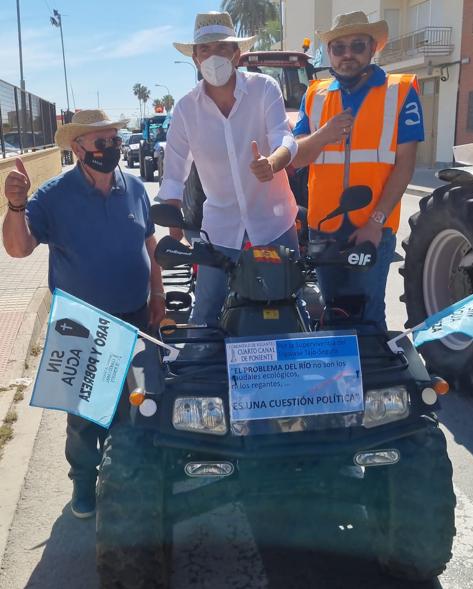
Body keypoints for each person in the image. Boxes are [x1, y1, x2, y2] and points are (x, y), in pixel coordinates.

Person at [2, 109, 166, 519]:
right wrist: (16, 206)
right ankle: (83, 480)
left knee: (141, 401)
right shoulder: (53, 196)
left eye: (113, 140)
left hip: (135, 317)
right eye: (100, 142)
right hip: (81, 325)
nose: (110, 148)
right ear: (77, 148)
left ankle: (132, 477)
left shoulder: (133, 188)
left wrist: (158, 292)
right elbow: (18, 249)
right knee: (84, 417)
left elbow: (150, 243)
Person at [157, 11, 300, 326]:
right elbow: (174, 170)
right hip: (218, 230)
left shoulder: (265, 89)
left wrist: (272, 163)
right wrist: (173, 222)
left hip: (275, 224)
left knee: (288, 308)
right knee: (206, 313)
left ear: (237, 53)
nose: (213, 56)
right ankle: (201, 373)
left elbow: (285, 138)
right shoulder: (185, 110)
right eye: (204, 49)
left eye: (221, 47)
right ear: (195, 58)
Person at [292, 11, 424, 329]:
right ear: (330, 54)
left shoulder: (401, 90)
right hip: (324, 227)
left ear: (372, 48)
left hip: (372, 230)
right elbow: (297, 158)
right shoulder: (314, 95)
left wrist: (376, 222)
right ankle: (339, 380)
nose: (347, 54)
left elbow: (405, 164)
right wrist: (325, 134)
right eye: (339, 48)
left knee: (368, 318)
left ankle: (372, 379)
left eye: (357, 45)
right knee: (332, 314)